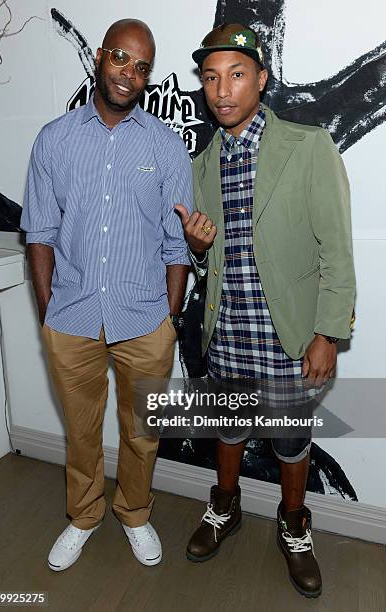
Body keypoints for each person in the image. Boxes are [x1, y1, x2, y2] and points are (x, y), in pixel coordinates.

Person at [175, 23, 355, 598]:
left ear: (262, 79)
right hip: (228, 330)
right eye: (210, 77)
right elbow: (209, 261)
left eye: (236, 74)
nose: (222, 89)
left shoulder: (309, 147)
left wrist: (328, 331)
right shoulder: (201, 165)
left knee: (289, 441)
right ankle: (223, 507)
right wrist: (199, 251)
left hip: (288, 335)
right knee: (227, 432)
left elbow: (336, 249)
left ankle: (294, 524)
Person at [21, 18, 192, 571]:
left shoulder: (166, 147)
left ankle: (135, 512)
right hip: (71, 317)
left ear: (147, 76)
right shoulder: (54, 139)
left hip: (145, 319)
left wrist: (167, 315)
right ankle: (84, 515)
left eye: (141, 66)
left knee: (143, 434)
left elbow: (176, 243)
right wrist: (49, 311)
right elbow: (41, 232)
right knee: (81, 432)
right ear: (100, 56)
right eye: (121, 58)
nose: (129, 73)